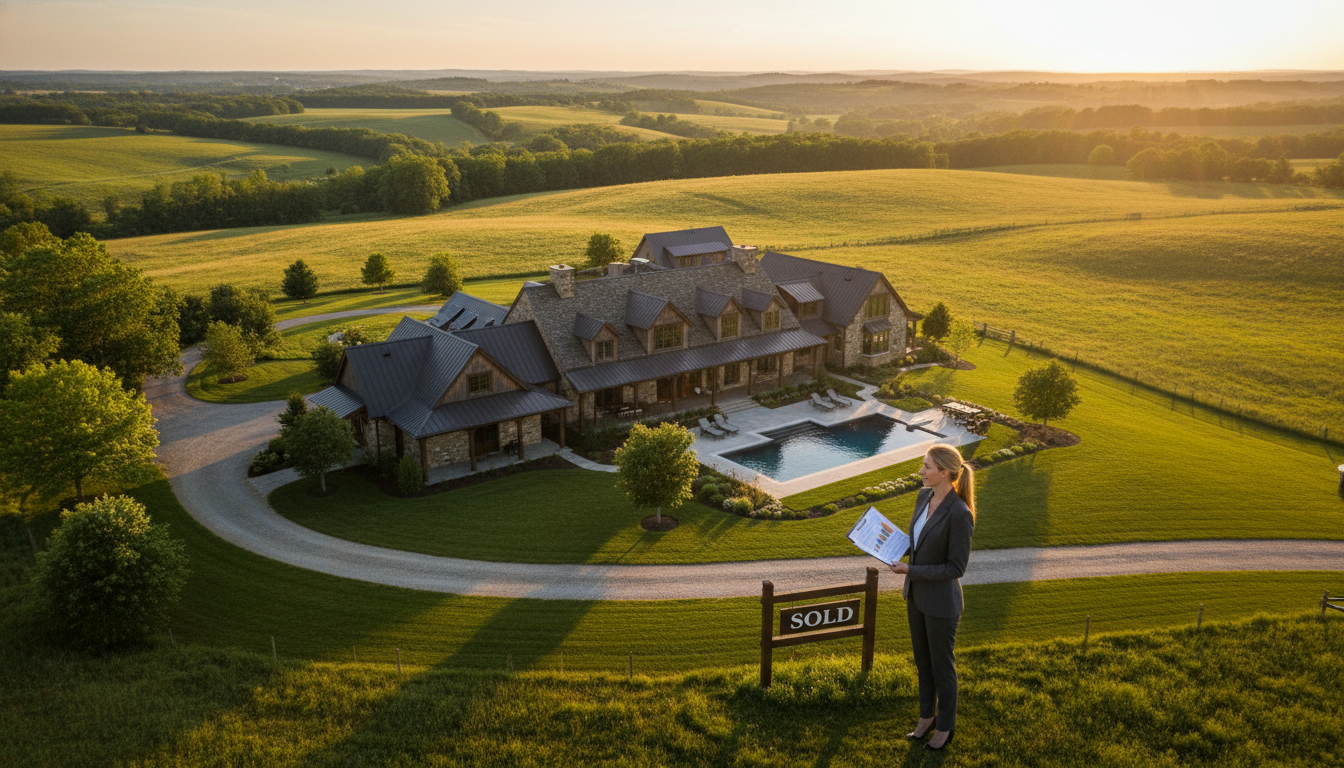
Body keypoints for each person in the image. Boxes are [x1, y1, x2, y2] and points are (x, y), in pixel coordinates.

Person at [889, 444, 975, 751]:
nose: (921, 472)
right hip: (915, 596)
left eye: (926, 467)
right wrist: (884, 544)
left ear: (945, 473)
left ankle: (946, 727)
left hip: (941, 604)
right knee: (923, 663)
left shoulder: (960, 514)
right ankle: (926, 717)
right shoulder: (923, 496)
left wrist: (910, 569)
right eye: (922, 465)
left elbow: (956, 567)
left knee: (942, 668)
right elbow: (918, 541)